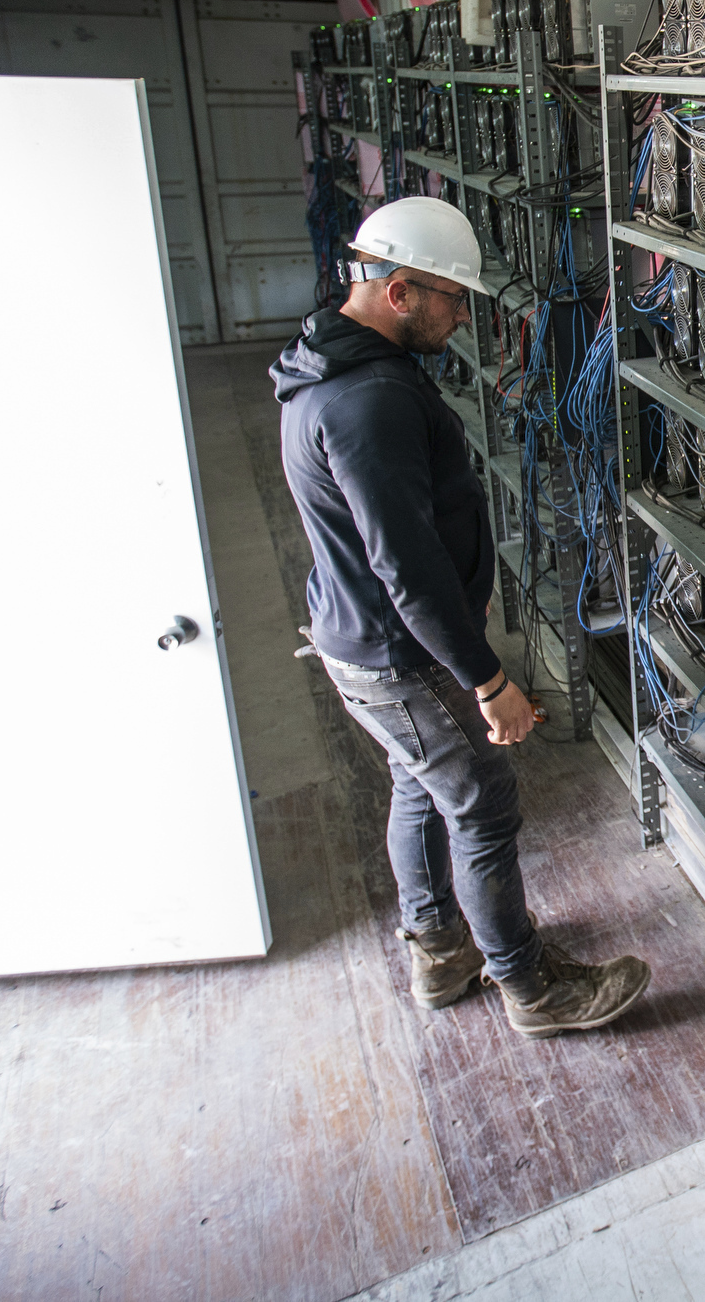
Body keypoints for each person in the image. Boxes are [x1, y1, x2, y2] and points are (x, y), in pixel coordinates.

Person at [272, 196, 650, 1035]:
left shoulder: (328, 367)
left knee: (419, 786)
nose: (461, 315)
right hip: (396, 655)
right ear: (399, 291)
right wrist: (487, 680)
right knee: (481, 802)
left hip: (362, 640)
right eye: (451, 297)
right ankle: (532, 988)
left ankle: (441, 956)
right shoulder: (366, 400)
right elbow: (405, 569)